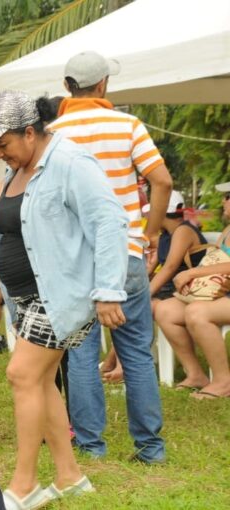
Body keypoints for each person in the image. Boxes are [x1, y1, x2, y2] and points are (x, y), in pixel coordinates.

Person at [0, 90, 129, 508]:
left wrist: (109, 291)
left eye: (3, 144)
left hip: (59, 294)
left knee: (21, 375)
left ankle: (25, 485)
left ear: (29, 131)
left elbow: (109, 222)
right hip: (25, 296)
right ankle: (70, 476)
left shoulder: (70, 163)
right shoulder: (19, 167)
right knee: (41, 382)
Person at [49, 50, 170, 464]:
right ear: (102, 85)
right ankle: (150, 449)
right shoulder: (128, 125)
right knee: (135, 350)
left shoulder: (52, 133)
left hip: (75, 259)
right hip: (125, 253)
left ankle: (90, 447)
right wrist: (150, 233)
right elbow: (162, 180)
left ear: (67, 87)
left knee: (81, 354)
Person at [102, 190, 206, 383]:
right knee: (131, 304)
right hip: (172, 292)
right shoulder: (167, 235)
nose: (150, 216)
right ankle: (115, 363)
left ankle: (119, 365)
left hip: (185, 291)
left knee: (138, 306)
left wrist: (143, 293)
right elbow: (151, 267)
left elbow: (170, 267)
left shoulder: (183, 231)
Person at [154, 184, 230, 398]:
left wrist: (192, 274)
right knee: (166, 310)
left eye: (228, 196)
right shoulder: (227, 230)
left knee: (197, 312)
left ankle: (224, 382)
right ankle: (196, 373)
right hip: (220, 294)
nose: (224, 201)